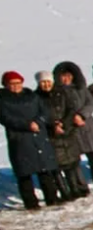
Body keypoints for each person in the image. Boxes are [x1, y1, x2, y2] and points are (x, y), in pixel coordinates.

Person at [1, 71, 61, 208]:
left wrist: (38, 122)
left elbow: (44, 112)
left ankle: (52, 199)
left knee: (44, 170)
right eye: (12, 83)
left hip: (38, 135)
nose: (16, 86)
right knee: (24, 173)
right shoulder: (3, 100)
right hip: (20, 138)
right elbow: (6, 118)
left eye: (18, 82)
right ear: (6, 85)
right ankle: (31, 203)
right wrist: (27, 125)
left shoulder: (32, 96)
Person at [52, 61, 93, 193]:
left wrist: (82, 115)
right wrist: (69, 119)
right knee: (75, 158)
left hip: (87, 125)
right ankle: (81, 186)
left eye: (69, 76)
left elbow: (90, 103)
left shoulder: (81, 88)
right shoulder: (57, 93)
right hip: (70, 129)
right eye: (63, 76)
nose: (66, 79)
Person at [35, 70, 86, 200]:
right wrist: (53, 125)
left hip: (67, 131)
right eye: (43, 82)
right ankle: (64, 191)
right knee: (56, 166)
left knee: (71, 162)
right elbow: (38, 115)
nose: (46, 85)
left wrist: (64, 123)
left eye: (48, 82)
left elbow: (71, 109)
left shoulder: (62, 93)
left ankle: (75, 188)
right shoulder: (36, 97)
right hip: (50, 135)